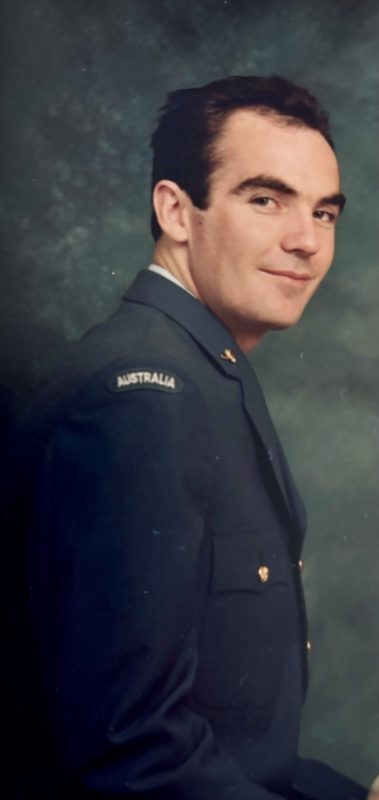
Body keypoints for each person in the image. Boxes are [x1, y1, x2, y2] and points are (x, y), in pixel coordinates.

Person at [16, 75, 371, 798]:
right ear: (177, 211)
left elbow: (238, 750)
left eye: (324, 213)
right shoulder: (146, 398)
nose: (305, 241)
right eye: (265, 199)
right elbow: (133, 750)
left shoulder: (204, 372)